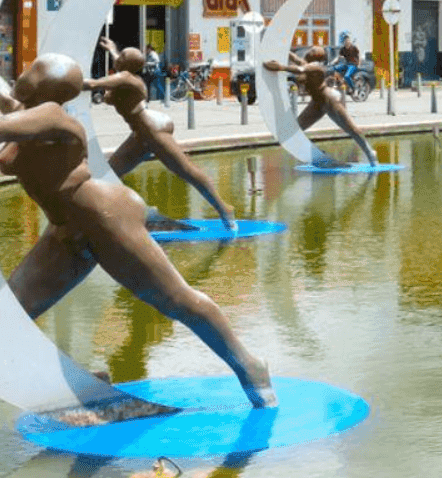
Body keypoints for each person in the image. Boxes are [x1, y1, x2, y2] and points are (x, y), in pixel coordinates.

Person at [1, 54, 275, 408]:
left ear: (42, 83)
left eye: (31, 70)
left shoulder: (52, 115)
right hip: (65, 230)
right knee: (10, 316)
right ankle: (84, 383)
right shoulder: (26, 112)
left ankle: (251, 366)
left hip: (104, 217)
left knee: (177, 299)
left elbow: (7, 124)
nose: (22, 72)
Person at [87, 38, 236, 229]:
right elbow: (120, 64)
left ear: (128, 64)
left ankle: (224, 208)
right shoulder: (126, 75)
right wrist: (113, 49)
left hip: (152, 129)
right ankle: (134, 213)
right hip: (140, 134)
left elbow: (93, 84)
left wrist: (65, 82)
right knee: (109, 173)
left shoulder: (125, 78)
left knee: (185, 170)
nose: (118, 57)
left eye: (123, 55)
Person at [263, 46, 378, 165]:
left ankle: (369, 152)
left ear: (316, 56)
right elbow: (296, 59)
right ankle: (320, 155)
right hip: (316, 103)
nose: (309, 51)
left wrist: (280, 67)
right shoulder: (306, 64)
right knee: (294, 130)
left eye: (313, 50)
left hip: (329, 101)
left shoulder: (317, 68)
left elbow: (299, 69)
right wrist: (284, 51)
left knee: (350, 127)